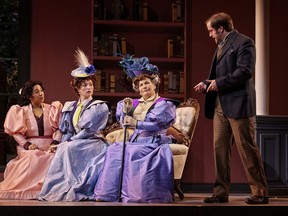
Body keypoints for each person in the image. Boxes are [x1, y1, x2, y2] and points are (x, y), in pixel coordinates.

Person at [194, 12, 268, 204]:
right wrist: (207, 83)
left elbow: (245, 71)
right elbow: (222, 73)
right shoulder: (221, 44)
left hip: (239, 105)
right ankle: (220, 193)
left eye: (211, 31)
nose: (210, 35)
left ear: (220, 28)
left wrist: (218, 82)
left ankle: (260, 193)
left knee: (247, 149)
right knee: (220, 150)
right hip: (220, 105)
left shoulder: (244, 42)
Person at [94, 56, 178, 203]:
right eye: (141, 85)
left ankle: (135, 195)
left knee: (131, 151)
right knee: (114, 149)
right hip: (135, 141)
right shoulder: (132, 103)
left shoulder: (164, 104)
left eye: (147, 83)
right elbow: (123, 122)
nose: (144, 87)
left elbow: (157, 125)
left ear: (154, 84)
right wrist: (125, 114)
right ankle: (109, 194)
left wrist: (136, 123)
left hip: (153, 143)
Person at [37, 48, 110, 201]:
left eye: (90, 84)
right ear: (77, 88)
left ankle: (76, 186)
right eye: (84, 85)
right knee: (62, 148)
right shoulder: (70, 106)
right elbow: (66, 131)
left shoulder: (99, 106)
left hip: (92, 142)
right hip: (76, 142)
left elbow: (88, 131)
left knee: (68, 147)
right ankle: (59, 188)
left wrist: (68, 142)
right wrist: (58, 142)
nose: (88, 88)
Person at [0, 80, 63, 199]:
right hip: (30, 145)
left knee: (53, 157)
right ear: (30, 96)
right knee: (33, 156)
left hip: (50, 144)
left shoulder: (53, 109)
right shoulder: (21, 111)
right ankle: (30, 189)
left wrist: (55, 142)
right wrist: (27, 145)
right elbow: (16, 133)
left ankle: (48, 189)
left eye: (41, 90)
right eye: (36, 91)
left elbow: (59, 129)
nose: (41, 94)